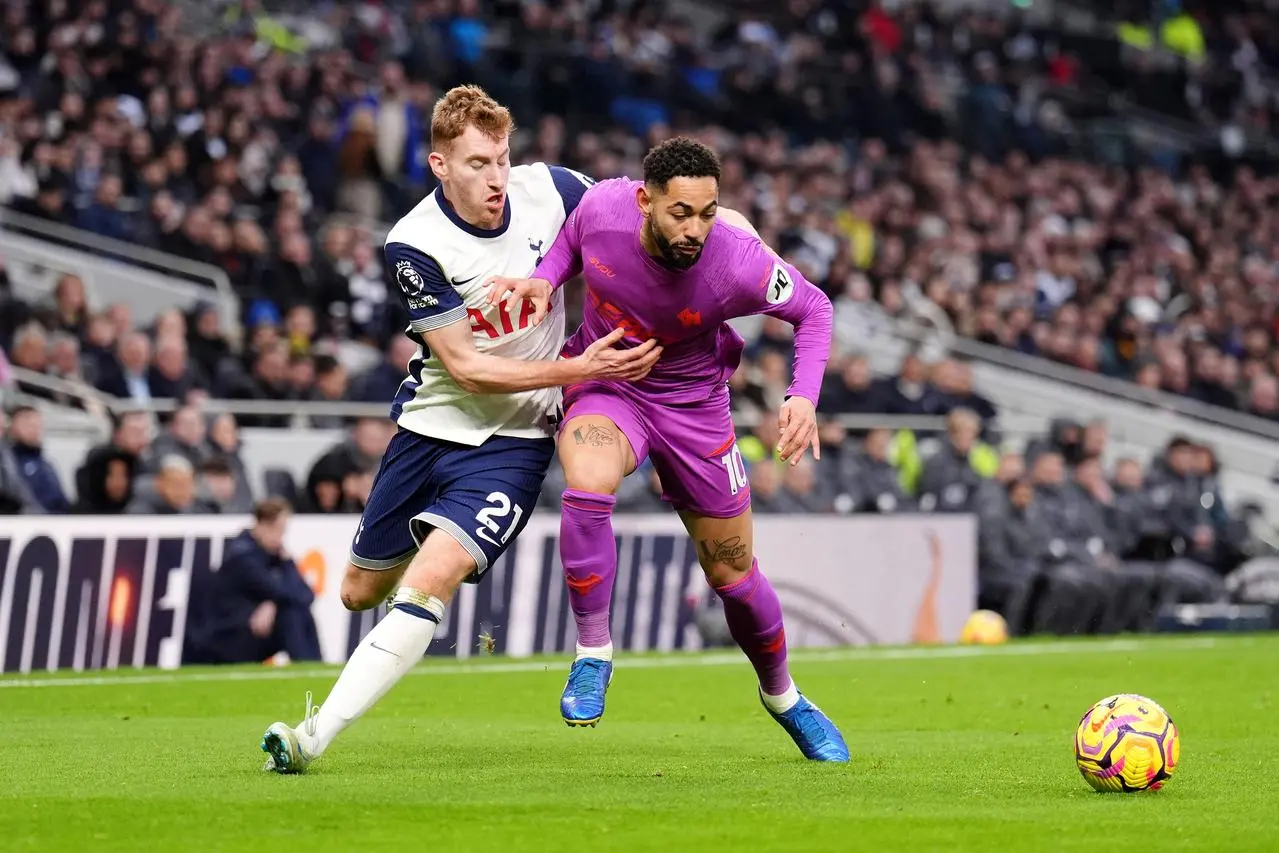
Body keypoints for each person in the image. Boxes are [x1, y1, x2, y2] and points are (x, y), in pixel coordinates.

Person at [259, 85, 661, 774]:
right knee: (359, 591)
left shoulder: (554, 188)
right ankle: (395, 630)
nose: (497, 177)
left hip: (513, 442)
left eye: (502, 158)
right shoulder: (413, 242)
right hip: (431, 423)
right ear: (440, 165)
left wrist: (724, 234)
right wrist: (579, 368)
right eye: (477, 163)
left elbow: (646, 206)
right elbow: (469, 368)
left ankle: (310, 736)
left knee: (430, 577)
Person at [487, 137, 848, 761]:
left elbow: (815, 310)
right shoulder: (603, 208)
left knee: (733, 575)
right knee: (588, 483)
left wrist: (804, 395)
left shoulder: (738, 261)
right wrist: (545, 283)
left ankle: (784, 697)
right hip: (609, 383)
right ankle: (594, 654)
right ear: (645, 199)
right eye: (682, 212)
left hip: (696, 410)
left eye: (708, 212)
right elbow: (573, 238)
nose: (697, 228)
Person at [184, 498, 322, 666]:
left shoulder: (271, 554)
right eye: (277, 530)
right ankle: (307, 667)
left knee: (299, 611)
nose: (280, 537)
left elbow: (307, 595)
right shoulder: (241, 555)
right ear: (261, 525)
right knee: (289, 612)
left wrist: (272, 602)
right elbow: (276, 589)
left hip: (252, 630)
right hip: (227, 636)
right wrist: (284, 572)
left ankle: (315, 667)